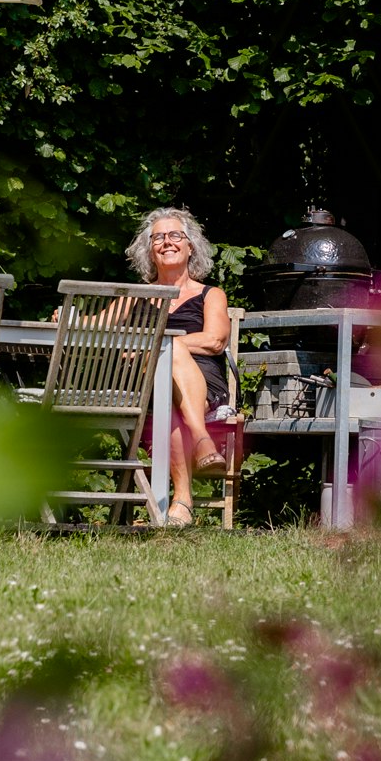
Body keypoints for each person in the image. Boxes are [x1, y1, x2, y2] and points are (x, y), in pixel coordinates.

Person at [125, 206, 232, 527]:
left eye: (175, 235)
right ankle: (201, 442)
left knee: (169, 353)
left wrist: (161, 345)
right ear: (149, 250)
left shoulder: (211, 295)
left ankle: (182, 499)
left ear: (190, 246)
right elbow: (93, 325)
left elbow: (215, 341)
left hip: (203, 378)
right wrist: (66, 316)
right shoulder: (134, 297)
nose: (166, 242)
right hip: (145, 382)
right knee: (164, 369)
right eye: (158, 238)